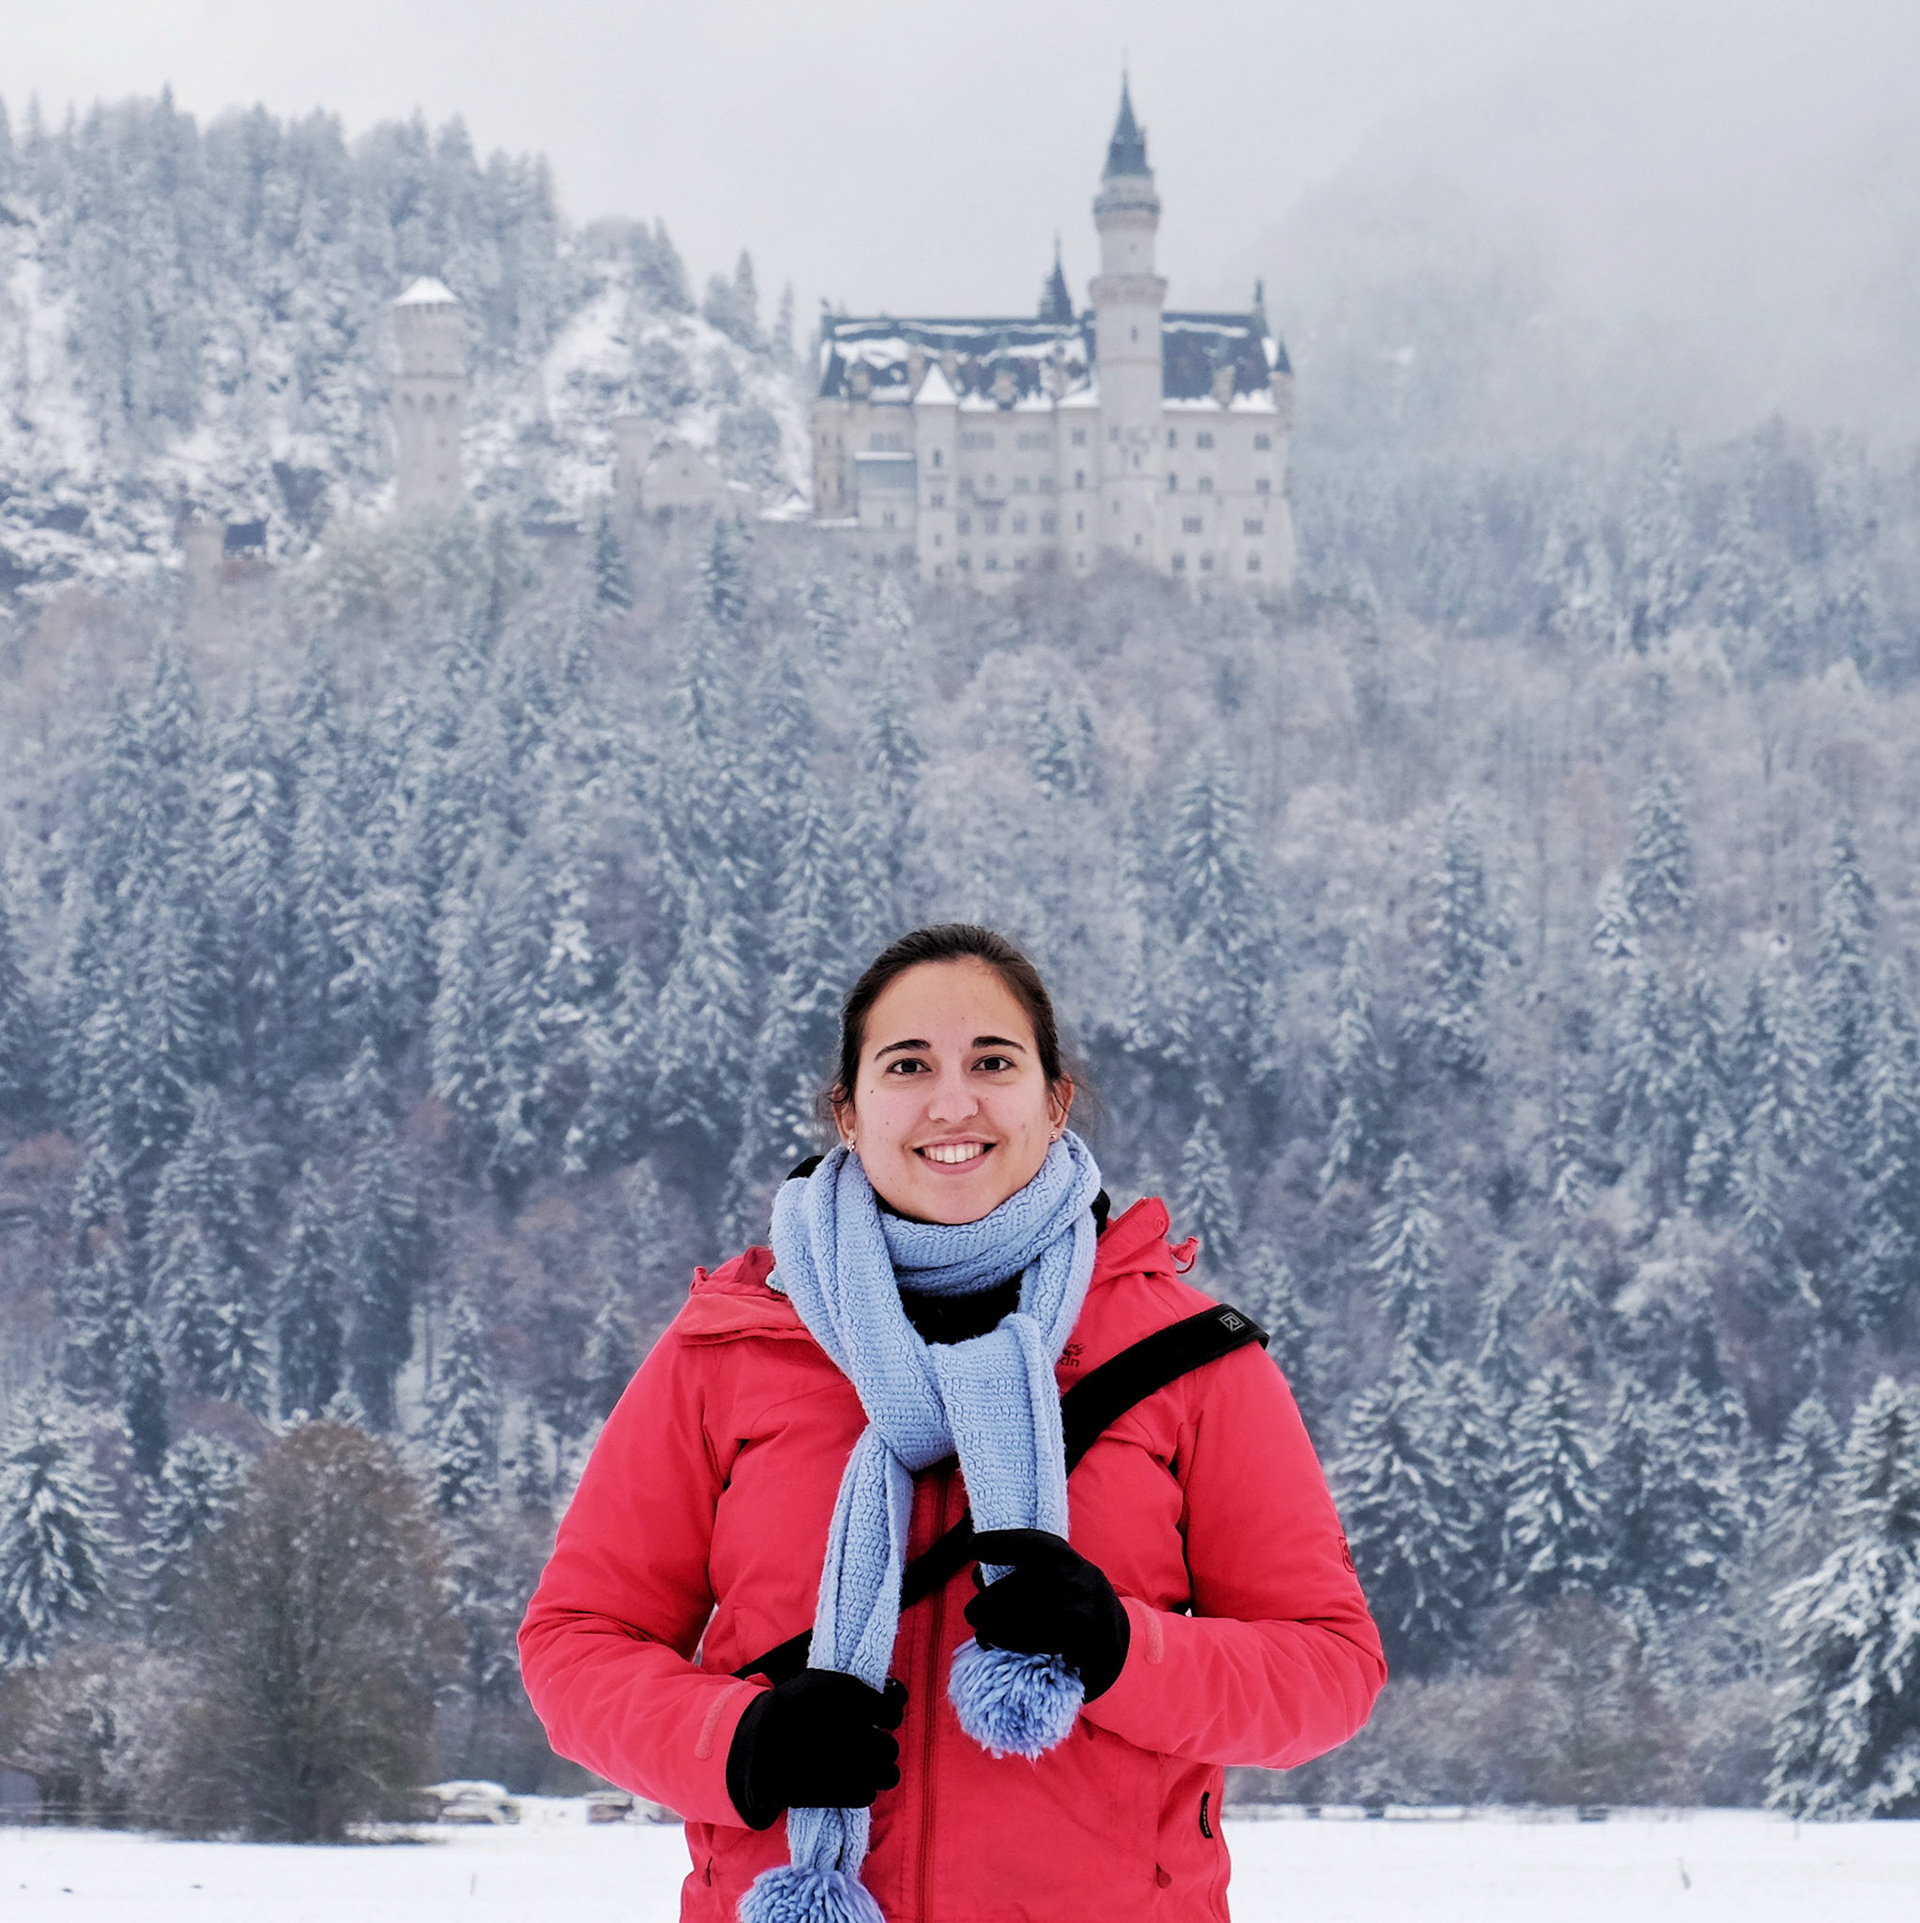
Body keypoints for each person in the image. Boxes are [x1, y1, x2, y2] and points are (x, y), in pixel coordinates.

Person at [519, 924, 1384, 1922]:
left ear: (1054, 1101)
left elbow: (1329, 1669)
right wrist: (738, 1742)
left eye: (992, 1062)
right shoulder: (732, 1345)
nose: (952, 1101)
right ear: (847, 1111)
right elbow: (575, 1644)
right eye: (908, 1065)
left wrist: (1121, 1650)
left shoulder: (1189, 1360)